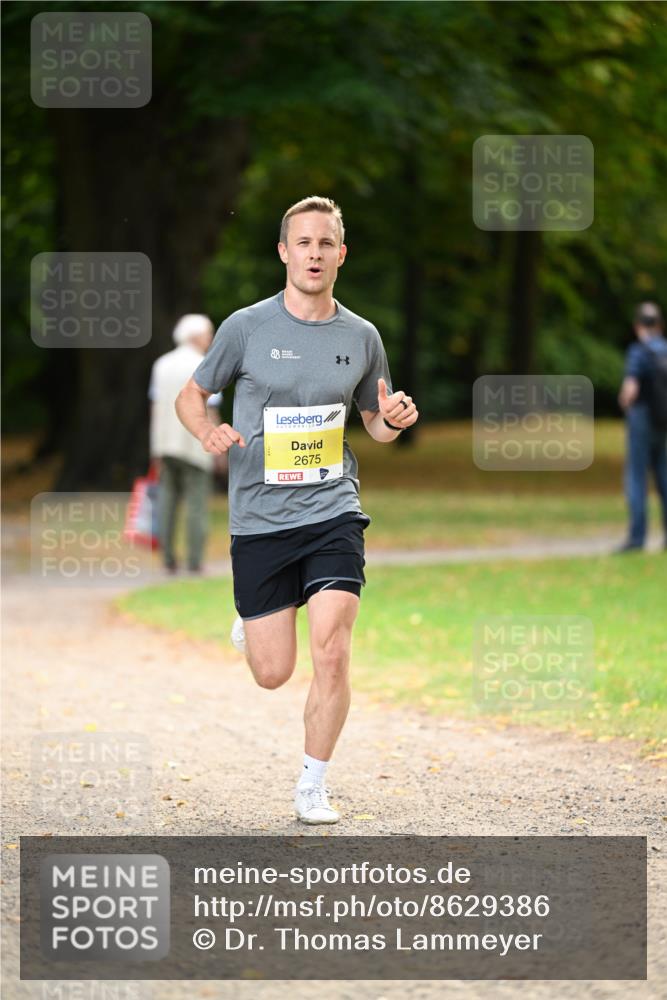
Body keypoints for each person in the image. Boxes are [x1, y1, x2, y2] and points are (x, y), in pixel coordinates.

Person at [175, 196, 418, 824]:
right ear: (285, 252)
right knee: (273, 672)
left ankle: (313, 783)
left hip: (333, 506)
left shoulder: (362, 336)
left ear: (342, 253)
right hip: (259, 516)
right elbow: (192, 395)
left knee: (333, 648)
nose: (315, 253)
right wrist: (206, 433)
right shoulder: (246, 327)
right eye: (303, 242)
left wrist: (390, 421)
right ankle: (257, 624)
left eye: (326, 242)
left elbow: (374, 420)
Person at [149, 314, 221, 573]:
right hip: (194, 443)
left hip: (165, 443)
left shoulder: (161, 364)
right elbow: (210, 408)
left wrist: (155, 446)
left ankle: (168, 558)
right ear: (195, 337)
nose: (211, 339)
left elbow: (156, 408)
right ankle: (194, 560)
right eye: (208, 334)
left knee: (167, 499)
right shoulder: (203, 364)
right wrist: (216, 442)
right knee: (196, 502)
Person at [616, 301, 667, 553]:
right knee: (664, 478)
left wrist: (624, 402)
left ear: (638, 326)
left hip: (642, 419)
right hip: (664, 421)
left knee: (637, 478)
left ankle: (637, 538)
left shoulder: (639, 352)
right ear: (660, 325)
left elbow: (630, 388)